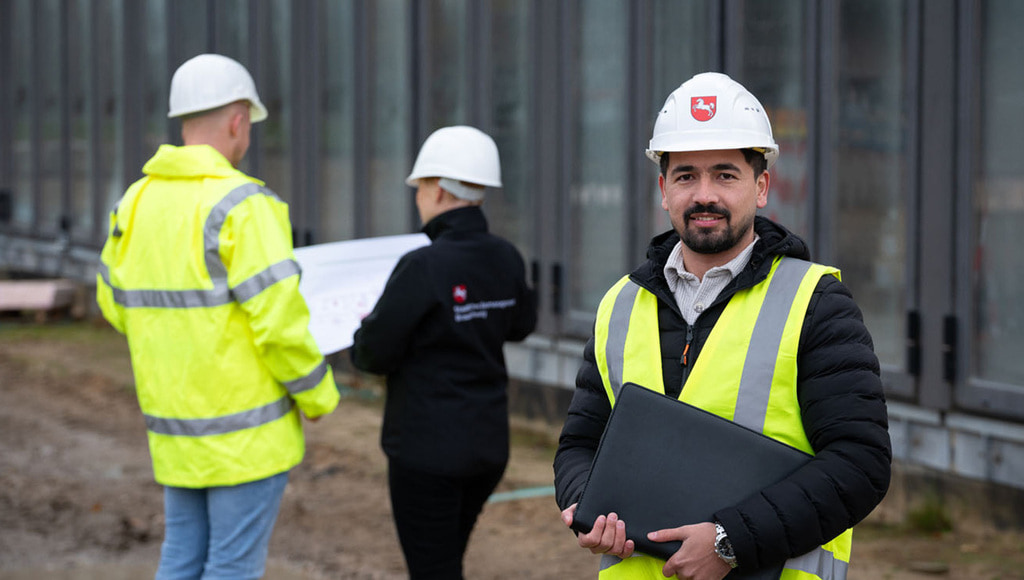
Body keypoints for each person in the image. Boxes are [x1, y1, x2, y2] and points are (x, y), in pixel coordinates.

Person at [554, 72, 892, 580]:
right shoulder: (619, 305)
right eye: (686, 175)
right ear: (664, 189)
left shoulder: (817, 304)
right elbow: (580, 444)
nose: (704, 195)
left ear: (761, 187)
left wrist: (730, 541)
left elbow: (859, 464)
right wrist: (585, 502)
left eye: (725, 175)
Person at [96, 53, 340, 580]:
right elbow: (278, 322)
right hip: (247, 438)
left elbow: (115, 304)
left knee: (181, 556)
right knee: (232, 566)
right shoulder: (243, 206)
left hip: (173, 429)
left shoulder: (134, 203)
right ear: (236, 120)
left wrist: (178, 343)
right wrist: (316, 394)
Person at [350, 125, 538, 579]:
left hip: (426, 451)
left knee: (433, 568)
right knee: (445, 559)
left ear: (436, 189)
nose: (418, 198)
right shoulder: (506, 257)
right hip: (487, 446)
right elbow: (520, 326)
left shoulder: (422, 264)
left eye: (419, 189)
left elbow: (370, 355)